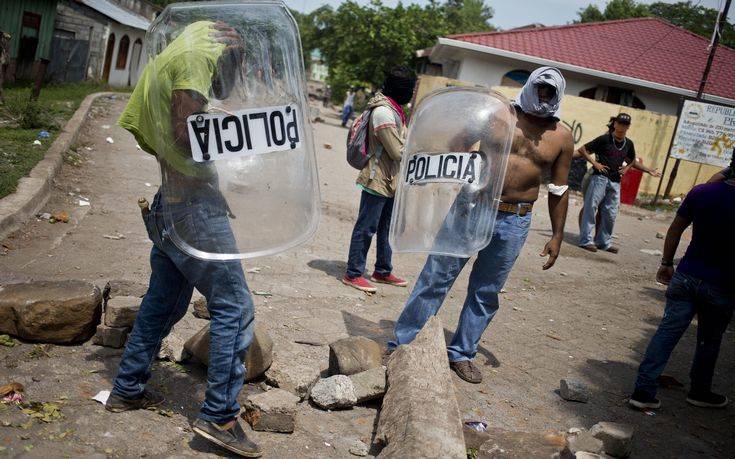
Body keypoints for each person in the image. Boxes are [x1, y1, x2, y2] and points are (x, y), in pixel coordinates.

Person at [107, 21, 262, 457]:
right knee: (235, 306)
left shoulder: (178, 48)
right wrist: (235, 146)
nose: (233, 79)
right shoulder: (198, 58)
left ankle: (127, 388)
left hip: (169, 204)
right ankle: (220, 416)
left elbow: (177, 129)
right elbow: (184, 125)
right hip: (193, 210)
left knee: (164, 302)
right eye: (242, 64)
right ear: (234, 49)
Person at [389, 67, 574, 383]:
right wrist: (437, 176)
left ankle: (461, 353)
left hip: (515, 219)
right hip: (473, 205)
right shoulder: (497, 114)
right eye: (540, 89)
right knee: (436, 276)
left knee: (486, 290)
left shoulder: (561, 136)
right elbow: (458, 144)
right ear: (530, 87)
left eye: (550, 93)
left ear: (557, 96)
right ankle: (402, 343)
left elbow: (559, 189)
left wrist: (557, 235)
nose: (543, 97)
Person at [629, 173, 735, 410]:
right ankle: (699, 391)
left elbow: (675, 229)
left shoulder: (701, 192)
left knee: (666, 333)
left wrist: (667, 262)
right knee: (709, 340)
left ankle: (643, 392)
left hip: (686, 276)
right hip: (722, 285)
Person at [342, 66, 416, 293]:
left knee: (386, 228)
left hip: (391, 179)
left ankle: (382, 271)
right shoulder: (383, 112)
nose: (412, 93)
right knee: (366, 228)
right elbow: (397, 151)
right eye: (410, 89)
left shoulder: (395, 110)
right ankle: (353, 274)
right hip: (377, 179)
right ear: (401, 89)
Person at [578, 114, 658, 253]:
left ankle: (603, 242)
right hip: (599, 178)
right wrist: (594, 163)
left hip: (615, 181)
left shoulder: (629, 143)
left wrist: (627, 168)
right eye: (620, 123)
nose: (622, 126)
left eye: (625, 124)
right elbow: (582, 149)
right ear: (614, 124)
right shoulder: (604, 139)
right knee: (590, 208)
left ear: (628, 127)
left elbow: (632, 159)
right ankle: (586, 240)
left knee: (610, 213)